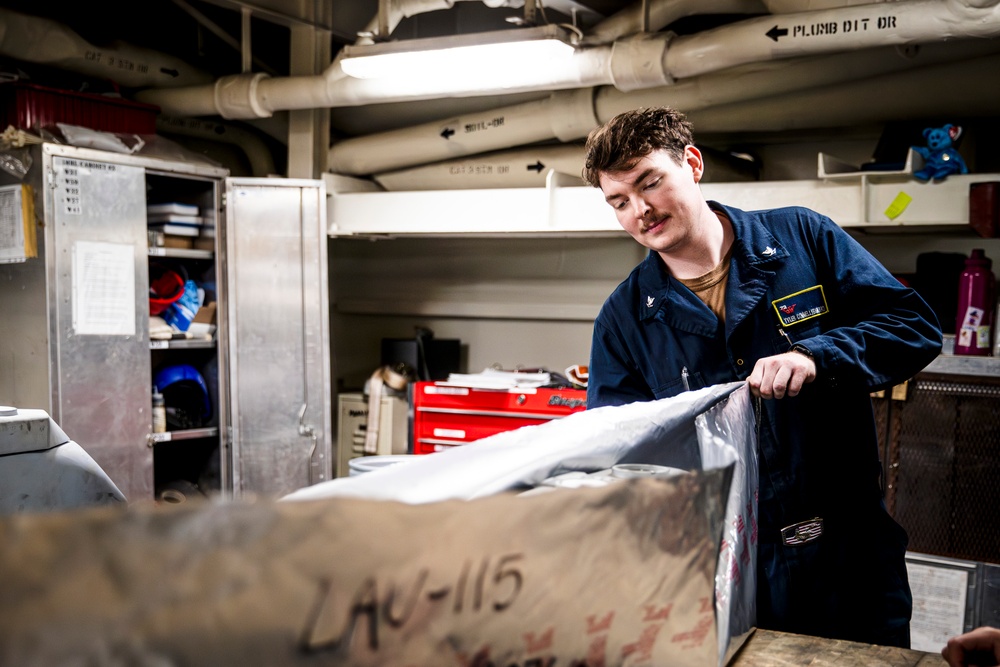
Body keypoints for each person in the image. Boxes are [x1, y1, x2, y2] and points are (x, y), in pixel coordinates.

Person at [582, 107, 943, 647]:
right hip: (728, 573)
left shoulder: (802, 239)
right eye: (619, 201)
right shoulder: (625, 318)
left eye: (650, 182)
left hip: (850, 558)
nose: (640, 210)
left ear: (693, 164)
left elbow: (914, 326)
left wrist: (820, 355)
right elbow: (618, 456)